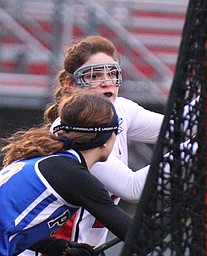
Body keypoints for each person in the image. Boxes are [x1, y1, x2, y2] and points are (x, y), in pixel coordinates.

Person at [20, 35, 207, 255]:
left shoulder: (121, 110)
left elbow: (178, 126)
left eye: (111, 73)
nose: (106, 83)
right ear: (71, 84)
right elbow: (132, 188)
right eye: (94, 76)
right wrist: (194, 150)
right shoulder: (74, 131)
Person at [0, 91, 132, 255]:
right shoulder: (73, 176)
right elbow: (137, 237)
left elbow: (17, 228)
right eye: (117, 128)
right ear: (105, 139)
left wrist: (61, 248)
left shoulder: (50, 162)